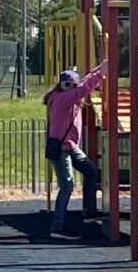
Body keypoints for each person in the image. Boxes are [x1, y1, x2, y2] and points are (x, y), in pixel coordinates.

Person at [43, 63, 107, 236]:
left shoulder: (66, 97)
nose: (69, 87)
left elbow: (83, 84)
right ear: (60, 85)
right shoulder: (63, 98)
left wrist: (99, 69)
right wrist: (100, 74)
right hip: (62, 148)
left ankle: (89, 211)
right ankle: (57, 227)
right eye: (66, 84)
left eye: (71, 84)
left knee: (91, 171)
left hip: (70, 146)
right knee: (66, 186)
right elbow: (84, 88)